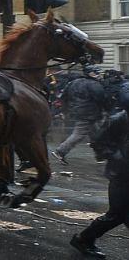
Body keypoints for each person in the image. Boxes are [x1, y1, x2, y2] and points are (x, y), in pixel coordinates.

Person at [70, 109, 129, 258]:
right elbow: (98, 140)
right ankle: (83, 239)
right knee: (117, 214)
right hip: (121, 174)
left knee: (119, 214)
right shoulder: (121, 118)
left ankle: (84, 239)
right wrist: (117, 157)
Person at [52, 65, 109, 164]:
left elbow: (64, 96)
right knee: (79, 134)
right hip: (90, 113)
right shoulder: (94, 84)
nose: (98, 74)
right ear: (90, 73)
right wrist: (107, 109)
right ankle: (60, 151)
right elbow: (102, 98)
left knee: (96, 134)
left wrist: (66, 109)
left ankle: (100, 155)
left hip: (78, 111)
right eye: (96, 72)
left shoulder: (74, 82)